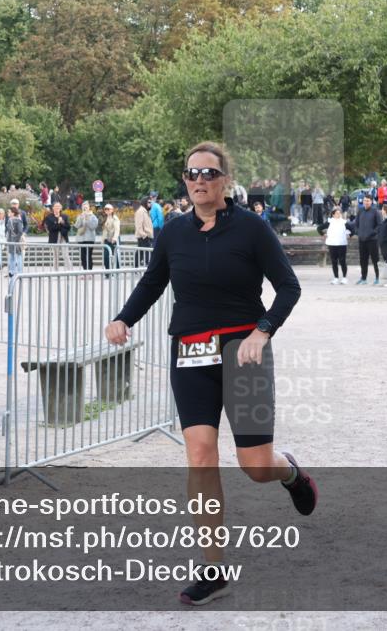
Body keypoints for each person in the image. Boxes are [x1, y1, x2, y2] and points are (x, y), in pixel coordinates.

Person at [104, 141, 313, 606]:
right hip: (191, 351)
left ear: (225, 180)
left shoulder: (252, 229)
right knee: (200, 455)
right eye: (192, 174)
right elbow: (153, 282)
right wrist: (123, 319)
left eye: (209, 174)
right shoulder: (174, 232)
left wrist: (262, 332)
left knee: (255, 467)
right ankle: (213, 567)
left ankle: (289, 472)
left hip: (244, 351)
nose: (199, 181)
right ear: (185, 180)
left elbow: (288, 287)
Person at [350, 195, 381, 285]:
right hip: (362, 240)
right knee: (363, 260)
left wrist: (372, 233)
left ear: (371, 202)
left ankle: (377, 278)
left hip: (372, 240)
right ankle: (363, 278)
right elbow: (356, 224)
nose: (366, 202)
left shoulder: (375, 211)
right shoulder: (360, 211)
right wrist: (358, 232)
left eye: (367, 201)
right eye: (364, 200)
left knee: (375, 260)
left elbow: (379, 225)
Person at [324, 207, 350, 284]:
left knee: (342, 261)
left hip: (342, 244)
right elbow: (319, 228)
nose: (338, 214)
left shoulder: (344, 222)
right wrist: (323, 234)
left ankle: (344, 277)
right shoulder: (329, 221)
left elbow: (352, 229)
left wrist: (350, 235)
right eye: (337, 213)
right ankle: (336, 277)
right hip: (332, 244)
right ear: (333, 214)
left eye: (339, 213)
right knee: (334, 261)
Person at [43, 202, 71, 269]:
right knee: (56, 256)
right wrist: (58, 223)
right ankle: (55, 271)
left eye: (59, 207)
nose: (57, 208)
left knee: (66, 255)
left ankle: (70, 270)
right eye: (56, 207)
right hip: (54, 238)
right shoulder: (49, 217)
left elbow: (68, 227)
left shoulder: (65, 216)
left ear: (61, 208)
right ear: (53, 208)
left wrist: (62, 223)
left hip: (63, 237)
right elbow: (51, 228)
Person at [74, 202, 99, 270]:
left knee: (89, 255)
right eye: (83, 207)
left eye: (86, 207)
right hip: (81, 239)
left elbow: (93, 227)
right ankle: (85, 270)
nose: (85, 208)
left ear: (89, 208)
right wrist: (81, 218)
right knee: (82, 256)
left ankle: (89, 271)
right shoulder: (80, 216)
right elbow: (76, 226)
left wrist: (88, 220)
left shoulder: (93, 216)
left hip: (89, 239)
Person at [5, 203, 25, 277]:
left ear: (13, 213)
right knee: (12, 256)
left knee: (18, 256)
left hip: (16, 241)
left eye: (9, 212)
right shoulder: (10, 220)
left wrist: (16, 239)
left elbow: (20, 231)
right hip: (10, 241)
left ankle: (19, 272)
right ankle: (12, 271)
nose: (8, 213)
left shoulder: (18, 220)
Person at [134, 196, 155, 263]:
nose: (150, 204)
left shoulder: (145, 211)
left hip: (147, 236)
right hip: (143, 237)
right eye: (149, 202)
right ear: (144, 202)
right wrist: (144, 236)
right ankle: (136, 268)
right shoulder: (141, 211)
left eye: (151, 202)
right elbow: (139, 226)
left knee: (141, 254)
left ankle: (136, 268)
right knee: (145, 254)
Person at [101, 203, 120, 269]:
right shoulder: (105, 218)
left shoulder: (115, 218)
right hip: (106, 239)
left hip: (113, 239)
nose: (107, 210)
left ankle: (117, 270)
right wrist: (102, 240)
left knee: (115, 255)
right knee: (106, 256)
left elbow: (117, 229)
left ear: (112, 210)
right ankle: (107, 272)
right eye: (105, 209)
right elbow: (104, 231)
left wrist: (115, 238)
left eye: (108, 209)